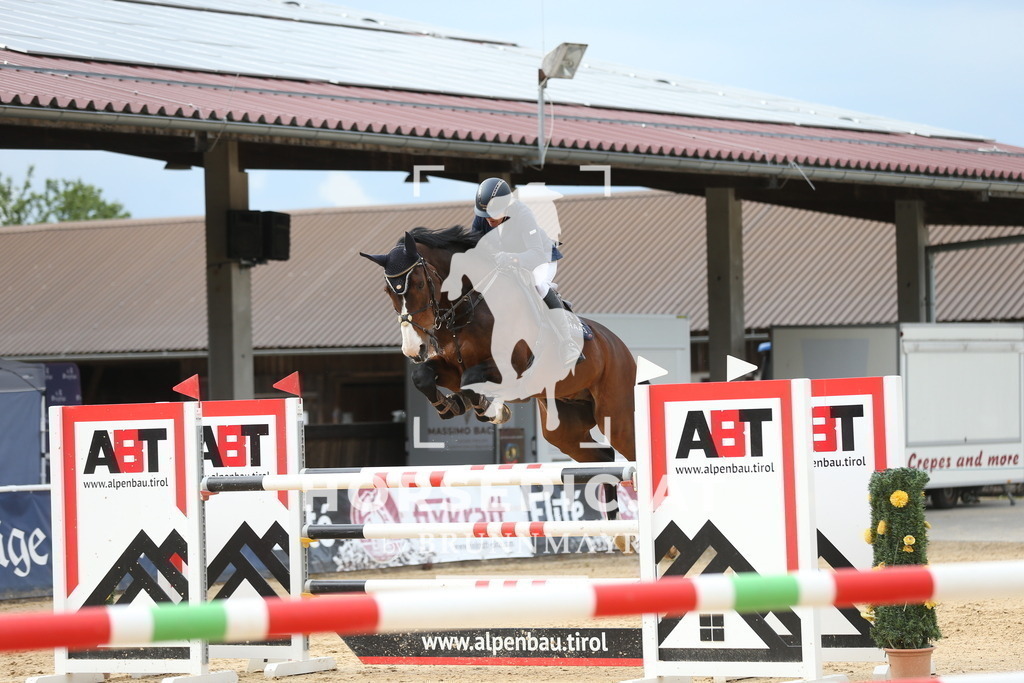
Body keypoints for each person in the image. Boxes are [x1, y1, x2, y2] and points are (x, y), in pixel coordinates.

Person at [470, 177, 584, 367]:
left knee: (539, 285)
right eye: (485, 214)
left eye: (493, 213)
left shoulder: (523, 214)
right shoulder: (483, 216)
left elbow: (536, 254)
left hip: (540, 259)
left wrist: (509, 258)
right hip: (506, 261)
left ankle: (567, 343)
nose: (488, 218)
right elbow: (473, 247)